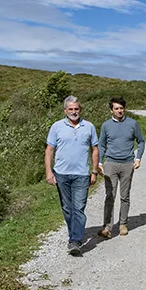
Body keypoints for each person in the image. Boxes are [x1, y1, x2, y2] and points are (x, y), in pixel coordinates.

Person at [45, 96, 99, 256]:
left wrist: (94, 171)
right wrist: (49, 171)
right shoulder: (56, 127)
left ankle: (75, 240)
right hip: (61, 174)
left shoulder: (89, 126)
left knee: (79, 208)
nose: (74, 112)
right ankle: (74, 233)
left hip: (82, 175)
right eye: (71, 109)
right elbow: (49, 150)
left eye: (76, 109)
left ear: (80, 110)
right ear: (65, 111)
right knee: (67, 209)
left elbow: (95, 150)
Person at [97, 97, 145, 239]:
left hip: (127, 164)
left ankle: (123, 224)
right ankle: (107, 227)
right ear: (111, 110)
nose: (119, 111)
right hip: (110, 163)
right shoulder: (106, 125)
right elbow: (101, 144)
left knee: (125, 196)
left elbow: (141, 141)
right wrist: (100, 162)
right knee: (110, 195)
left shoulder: (132, 124)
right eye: (116, 108)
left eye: (121, 108)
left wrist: (138, 158)